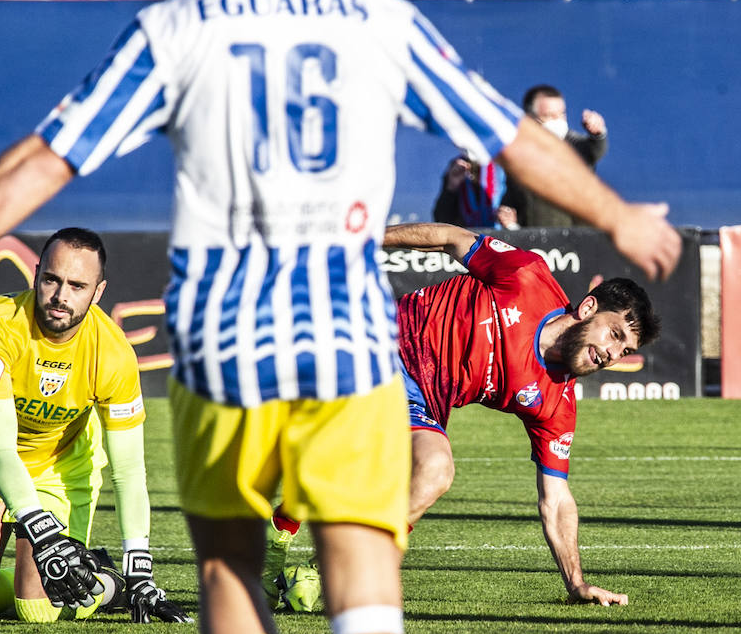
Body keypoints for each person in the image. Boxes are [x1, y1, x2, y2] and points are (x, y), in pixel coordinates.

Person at [0, 0, 680, 634]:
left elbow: (46, 158)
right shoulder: (382, 23)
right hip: (351, 349)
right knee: (366, 601)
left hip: (227, 351)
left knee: (230, 580)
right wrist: (616, 215)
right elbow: (510, 134)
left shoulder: (175, 29)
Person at [269, 222, 659, 608]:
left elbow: (555, 499)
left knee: (434, 469)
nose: (613, 352)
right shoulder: (526, 277)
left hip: (421, 398)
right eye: (615, 334)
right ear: (588, 308)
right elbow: (451, 239)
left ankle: (314, 556)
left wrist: (577, 583)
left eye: (624, 350)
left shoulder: (556, 403)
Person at [0, 227, 188, 625]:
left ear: (98, 292)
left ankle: (109, 584)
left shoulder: (113, 352)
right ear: (36, 275)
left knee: (38, 610)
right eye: (52, 279)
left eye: (77, 285)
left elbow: (129, 471)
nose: (62, 296)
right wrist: (43, 532)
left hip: (59, 472)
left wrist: (140, 568)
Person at [501, 84, 609, 228]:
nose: (557, 121)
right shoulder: (517, 156)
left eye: (561, 114)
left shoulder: (574, 146)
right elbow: (512, 199)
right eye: (548, 116)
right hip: (534, 243)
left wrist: (598, 133)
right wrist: (509, 222)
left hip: (579, 243)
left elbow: (594, 150)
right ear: (530, 119)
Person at [431, 153, 518, 229]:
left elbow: (526, 209)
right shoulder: (457, 166)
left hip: (504, 238)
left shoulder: (505, 165)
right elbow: (441, 220)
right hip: (468, 240)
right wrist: (452, 187)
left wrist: (512, 222)